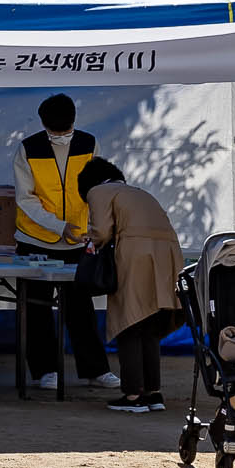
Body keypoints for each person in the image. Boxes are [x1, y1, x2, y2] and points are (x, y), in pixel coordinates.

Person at [14, 94, 117, 392]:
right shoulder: (28, 149)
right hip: (36, 239)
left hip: (78, 240)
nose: (61, 135)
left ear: (74, 122)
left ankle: (95, 370)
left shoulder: (89, 144)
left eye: (65, 129)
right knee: (38, 308)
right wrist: (59, 226)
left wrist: (90, 228)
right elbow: (25, 198)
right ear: (44, 124)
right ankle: (45, 371)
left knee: (81, 307)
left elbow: (100, 188)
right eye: (55, 131)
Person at [80, 158, 183, 415]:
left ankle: (133, 394)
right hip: (168, 256)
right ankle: (152, 392)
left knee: (129, 323)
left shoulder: (99, 191)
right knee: (149, 326)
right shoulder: (139, 193)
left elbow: (101, 232)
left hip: (136, 257)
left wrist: (87, 239)